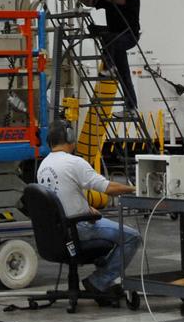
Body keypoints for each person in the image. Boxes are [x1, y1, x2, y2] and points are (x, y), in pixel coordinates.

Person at [36, 120, 139, 295]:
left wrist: (85, 208)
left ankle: (103, 275)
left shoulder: (43, 166)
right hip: (78, 228)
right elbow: (108, 188)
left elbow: (61, 196)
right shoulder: (74, 163)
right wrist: (136, 189)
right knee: (132, 237)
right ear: (70, 137)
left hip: (57, 231)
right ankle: (100, 281)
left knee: (107, 230)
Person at [79, 0, 141, 111]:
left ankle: (109, 66)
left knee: (108, 36)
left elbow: (121, 1)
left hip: (129, 36)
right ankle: (131, 107)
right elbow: (89, 2)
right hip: (115, 38)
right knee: (124, 73)